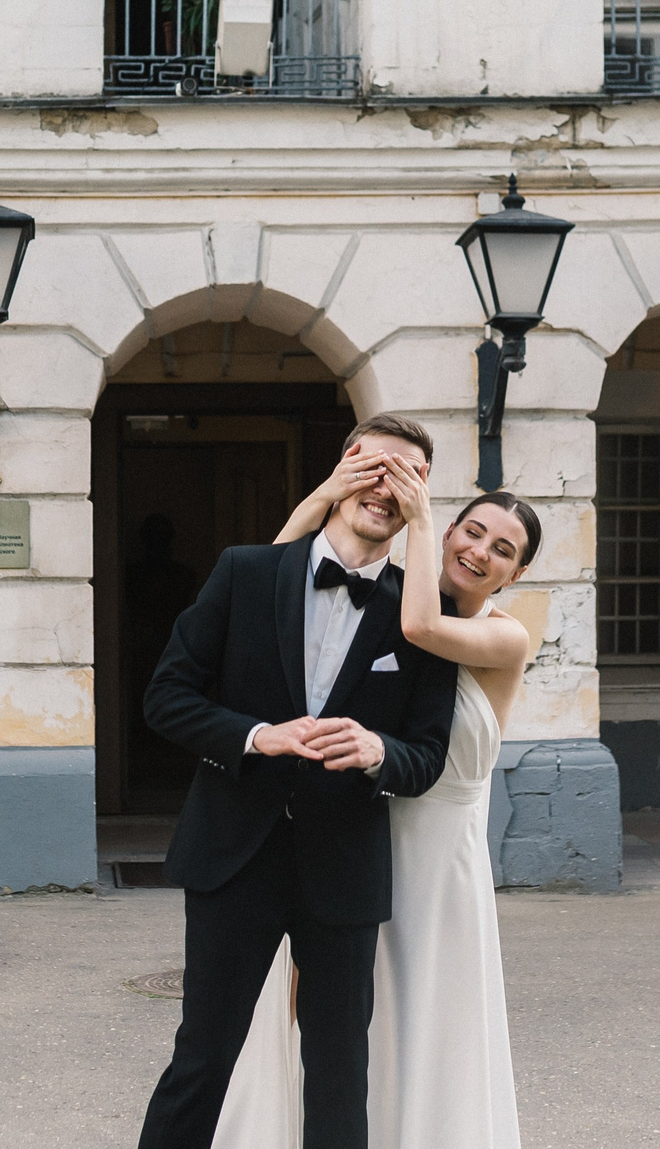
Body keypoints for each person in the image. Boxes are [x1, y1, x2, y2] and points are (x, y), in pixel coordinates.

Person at [138, 414, 461, 1149]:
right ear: (345, 465)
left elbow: (428, 756)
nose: (386, 487)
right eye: (375, 465)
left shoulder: (421, 617)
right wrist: (257, 735)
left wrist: (379, 748)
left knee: (339, 1068)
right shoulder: (246, 571)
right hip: (233, 854)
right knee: (203, 1057)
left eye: (407, 476)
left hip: (342, 867)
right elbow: (166, 696)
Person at [211, 448, 539, 1149]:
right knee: (324, 1018)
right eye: (472, 532)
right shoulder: (380, 594)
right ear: (451, 532)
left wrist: (417, 523)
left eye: (503, 548)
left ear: (517, 572)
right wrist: (331, 488)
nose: (481, 551)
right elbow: (276, 574)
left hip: (439, 864)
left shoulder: (502, 635)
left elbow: (424, 628)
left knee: (427, 1014)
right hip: (356, 835)